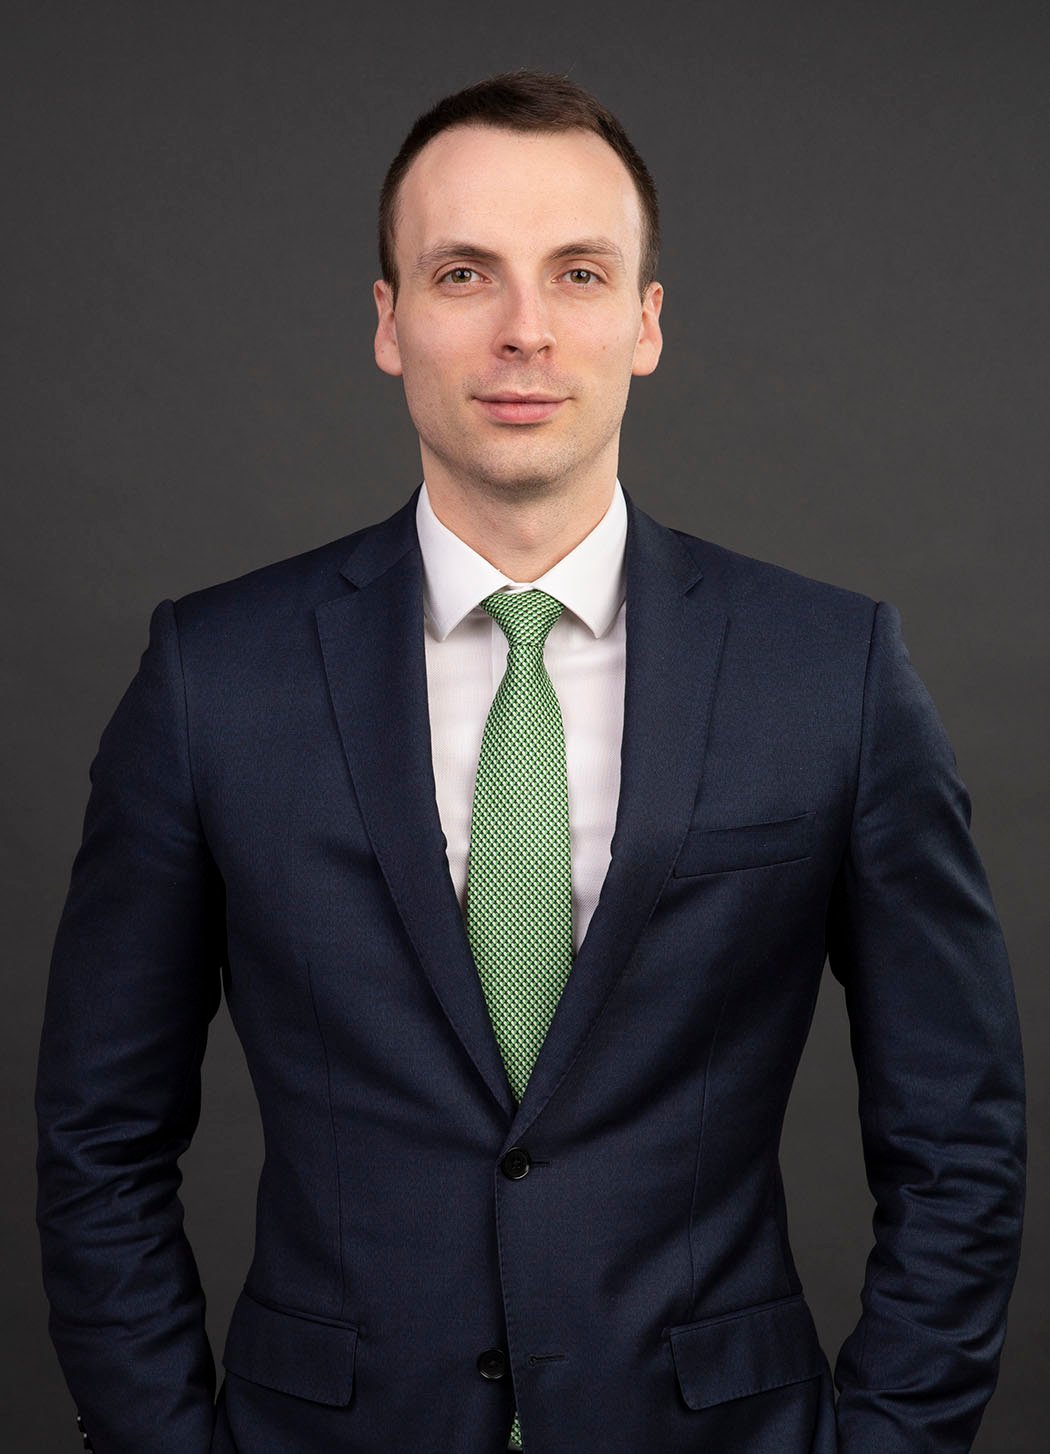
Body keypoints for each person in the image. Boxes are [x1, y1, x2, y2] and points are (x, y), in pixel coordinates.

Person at [35, 69, 1026, 1454]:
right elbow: (99, 1135)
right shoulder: (213, 676)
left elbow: (958, 1134)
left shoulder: (831, 671)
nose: (523, 331)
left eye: (577, 273)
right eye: (463, 274)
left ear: (646, 322)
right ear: (388, 321)